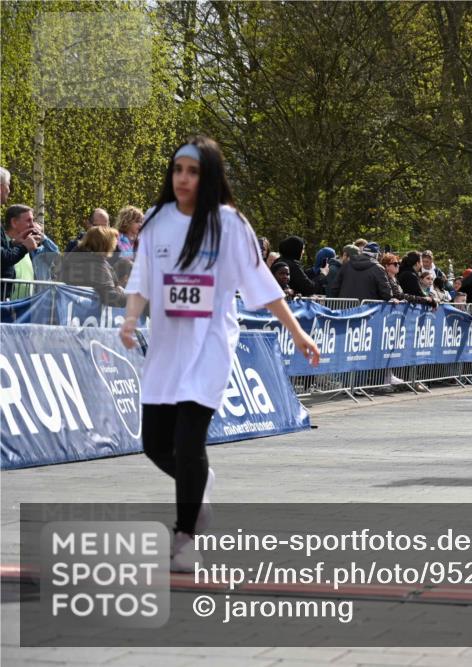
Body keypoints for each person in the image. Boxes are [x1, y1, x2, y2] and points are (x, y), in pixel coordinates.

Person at [118, 136, 320, 572]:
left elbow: (262, 284)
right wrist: (131, 319)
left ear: (208, 175)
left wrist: (298, 332)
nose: (183, 179)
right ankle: (199, 482)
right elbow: (142, 278)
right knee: (156, 445)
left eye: (192, 171)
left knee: (189, 441)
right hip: (166, 349)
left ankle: (185, 538)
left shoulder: (229, 224)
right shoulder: (156, 219)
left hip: (210, 348)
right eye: (177, 170)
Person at [57, 226, 128, 306]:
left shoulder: (75, 257)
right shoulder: (95, 265)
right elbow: (110, 296)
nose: (115, 246)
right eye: (114, 243)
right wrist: (131, 299)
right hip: (84, 311)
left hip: (68, 308)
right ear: (106, 244)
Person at [1, 204, 41, 300]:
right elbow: (5, 258)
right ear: (14, 222)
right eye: (28, 220)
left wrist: (15, 244)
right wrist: (23, 247)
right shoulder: (22, 247)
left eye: (33, 220)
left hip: (25, 305)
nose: (32, 225)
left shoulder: (24, 245)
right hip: (7, 304)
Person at [328, 243, 392, 301]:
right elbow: (387, 294)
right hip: (367, 309)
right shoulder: (378, 269)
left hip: (345, 308)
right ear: (376, 255)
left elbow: (334, 289)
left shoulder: (347, 264)